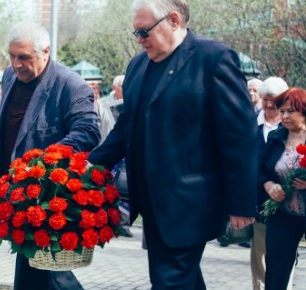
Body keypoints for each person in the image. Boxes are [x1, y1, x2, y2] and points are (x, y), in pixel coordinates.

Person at [87, 1, 258, 288]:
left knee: (169, 282)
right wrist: (91, 162)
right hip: (152, 204)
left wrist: (241, 202)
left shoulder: (213, 58)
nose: (140, 41)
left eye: (144, 32)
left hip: (191, 204)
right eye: (136, 34)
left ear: (174, 20)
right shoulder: (138, 65)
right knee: (181, 281)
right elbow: (127, 126)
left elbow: (239, 135)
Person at [0, 21, 100, 290]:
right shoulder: (10, 76)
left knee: (52, 273)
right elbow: (15, 130)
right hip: (15, 196)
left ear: (46, 52)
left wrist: (42, 164)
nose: (16, 64)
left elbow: (88, 131)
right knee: (30, 269)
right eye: (12, 56)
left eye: (24, 57)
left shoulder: (70, 85)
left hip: (48, 198)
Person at [258, 87, 306, 290]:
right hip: (283, 214)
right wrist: (269, 186)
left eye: (290, 111)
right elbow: (260, 170)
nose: (284, 116)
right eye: (282, 111)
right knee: (276, 270)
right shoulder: (276, 138)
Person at [251, 76, 290, 290]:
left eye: (274, 99)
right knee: (260, 256)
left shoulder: (290, 127)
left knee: (283, 259)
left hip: (286, 202)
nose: (268, 104)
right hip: (259, 200)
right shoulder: (251, 124)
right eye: (265, 98)